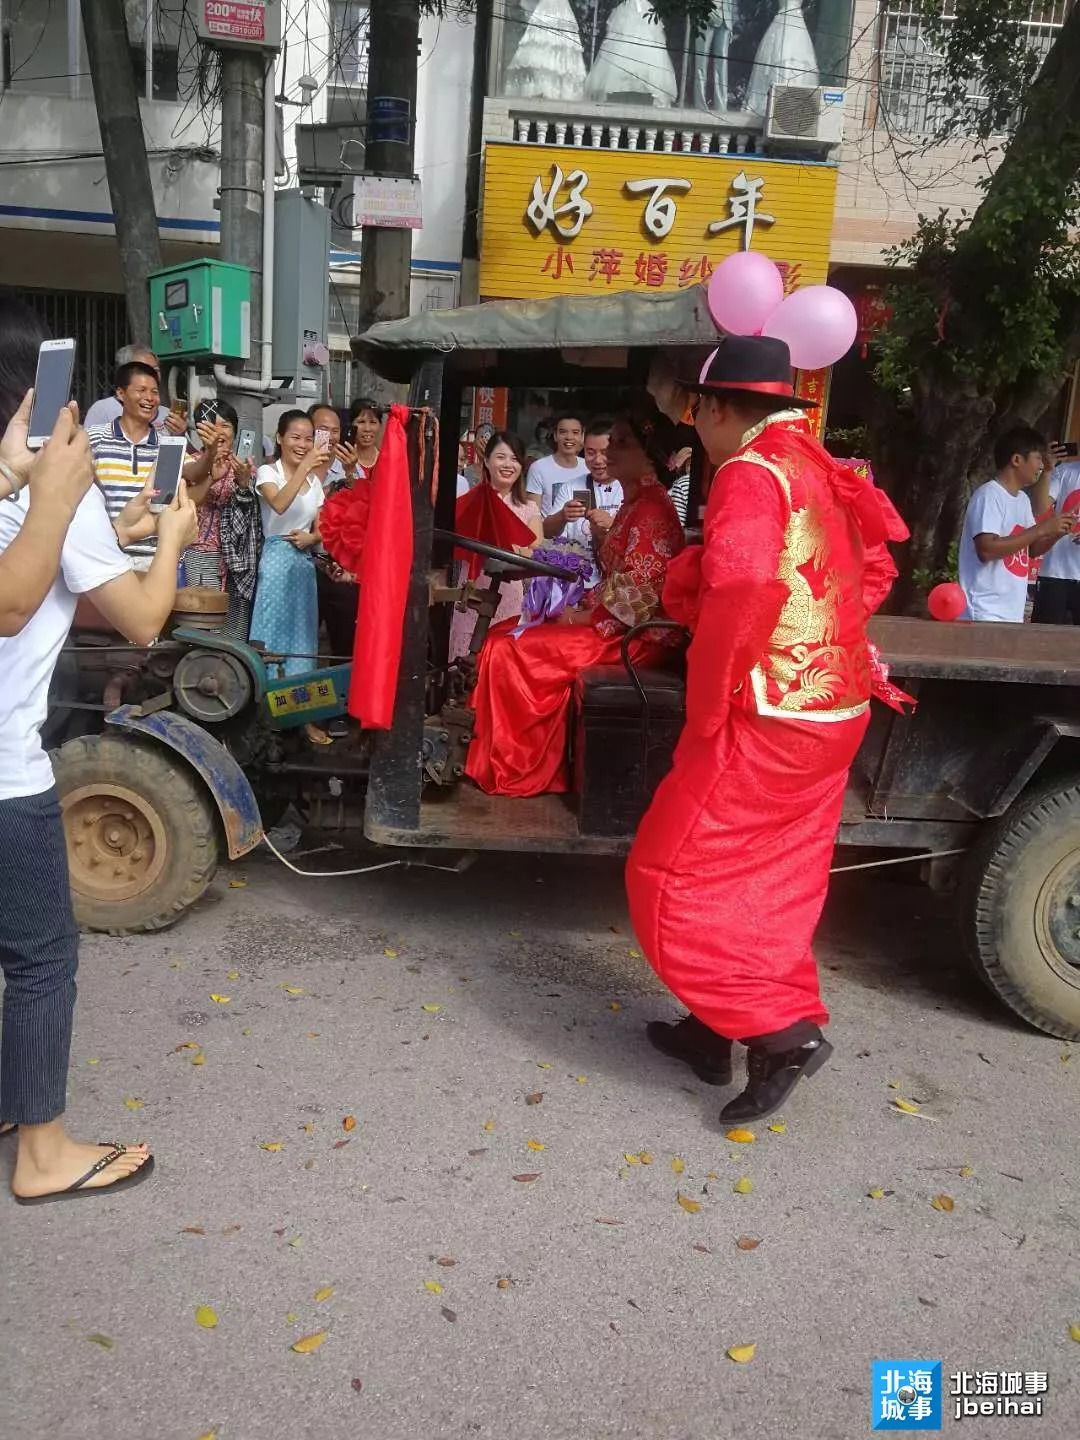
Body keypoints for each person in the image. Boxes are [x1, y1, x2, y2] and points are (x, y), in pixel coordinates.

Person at [626, 338, 909, 1125]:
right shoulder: (817, 462)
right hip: (836, 706)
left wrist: (708, 704)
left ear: (716, 407)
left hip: (770, 714)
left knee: (668, 878)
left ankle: (781, 1035)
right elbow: (877, 568)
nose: (693, 430)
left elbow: (745, 584)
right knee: (772, 882)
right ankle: (716, 1029)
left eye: (694, 413)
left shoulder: (751, 472)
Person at [0, 294, 197, 1201]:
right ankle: (42, 1156)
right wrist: (177, 542)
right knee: (42, 957)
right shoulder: (53, 488)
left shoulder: (36, 492)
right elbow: (143, 619)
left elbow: (65, 564)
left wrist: (117, 530)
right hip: (8, 776)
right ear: (30, 400)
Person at [466, 410, 684, 797]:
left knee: (506, 648)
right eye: (608, 443)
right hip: (612, 623)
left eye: (622, 444)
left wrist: (581, 616)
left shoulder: (651, 508)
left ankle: (515, 765)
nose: (607, 453)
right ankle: (490, 750)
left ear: (649, 456)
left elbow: (637, 597)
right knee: (503, 631)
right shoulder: (637, 502)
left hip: (632, 641)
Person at [250, 410, 330, 745]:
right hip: (276, 559)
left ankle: (304, 717)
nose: (302, 444)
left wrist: (313, 539)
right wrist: (306, 466)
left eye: (308, 437)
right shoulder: (268, 472)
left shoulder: (316, 482)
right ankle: (266, 715)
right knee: (272, 636)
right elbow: (280, 504)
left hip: (302, 564)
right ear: (280, 438)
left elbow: (323, 527)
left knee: (303, 641)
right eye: (295, 437)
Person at [87, 360, 213, 568]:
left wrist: (210, 451)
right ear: (120, 393)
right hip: (106, 552)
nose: (150, 398)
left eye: (154, 392)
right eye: (141, 390)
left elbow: (194, 473)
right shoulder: (95, 438)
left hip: (156, 557)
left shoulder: (167, 443)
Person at [958, 427, 1073, 622]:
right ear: (1017, 460)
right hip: (984, 611)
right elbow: (987, 549)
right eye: (1038, 458)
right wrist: (1042, 528)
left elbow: (1031, 550)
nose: (1041, 466)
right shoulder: (989, 495)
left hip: (1010, 612)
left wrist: (1058, 531)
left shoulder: (1022, 500)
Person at [450, 431, 542, 660]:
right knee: (463, 666)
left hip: (509, 598)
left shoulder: (529, 508)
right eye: (501, 457)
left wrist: (522, 550)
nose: (508, 464)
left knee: (500, 663)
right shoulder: (470, 502)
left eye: (514, 459)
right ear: (486, 461)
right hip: (472, 594)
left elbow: (535, 550)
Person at [181, 400, 259, 639]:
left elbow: (251, 518)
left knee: (234, 631)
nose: (219, 432)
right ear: (200, 430)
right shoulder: (191, 463)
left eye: (225, 426)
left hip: (237, 561)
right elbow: (190, 503)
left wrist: (243, 483)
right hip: (201, 554)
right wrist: (212, 479)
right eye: (212, 426)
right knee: (203, 625)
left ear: (235, 431)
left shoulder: (247, 467)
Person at [311, 402, 366, 665]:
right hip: (304, 565)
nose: (330, 436)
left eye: (335, 430)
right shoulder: (296, 468)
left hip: (339, 570)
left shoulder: (351, 470)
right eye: (322, 429)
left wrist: (351, 471)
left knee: (345, 643)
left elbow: (365, 505)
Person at [83, 344, 186, 434]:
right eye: (143, 369)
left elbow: (186, 454)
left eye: (156, 369)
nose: (152, 375)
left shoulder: (167, 415)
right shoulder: (103, 410)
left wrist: (180, 433)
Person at [1030, 446, 1080, 624]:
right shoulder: (1065, 472)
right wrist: (1047, 472)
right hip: (1055, 572)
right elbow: (1040, 508)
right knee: (1044, 642)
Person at [526, 412, 590, 540]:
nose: (569, 437)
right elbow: (533, 515)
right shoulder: (538, 468)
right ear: (555, 436)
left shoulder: (589, 467)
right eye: (563, 432)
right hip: (549, 543)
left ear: (583, 437)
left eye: (575, 432)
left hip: (583, 541)